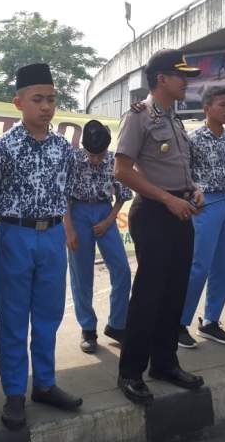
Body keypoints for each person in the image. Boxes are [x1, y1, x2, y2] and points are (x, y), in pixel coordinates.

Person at [0, 63, 82, 430]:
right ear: (18, 103)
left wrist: (67, 229)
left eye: (51, 100)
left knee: (48, 315)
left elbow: (66, 193)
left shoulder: (63, 148)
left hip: (53, 236)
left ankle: (44, 383)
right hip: (16, 234)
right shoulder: (1, 148)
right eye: (37, 99)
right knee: (13, 317)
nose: (46, 107)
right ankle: (14, 392)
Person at [114, 48, 205, 405]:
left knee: (174, 291)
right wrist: (168, 199)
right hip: (153, 213)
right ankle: (130, 372)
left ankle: (165, 364)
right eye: (181, 75)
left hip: (181, 211)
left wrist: (192, 190)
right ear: (162, 79)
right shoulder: (138, 116)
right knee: (149, 295)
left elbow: (178, 168)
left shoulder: (175, 119)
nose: (187, 82)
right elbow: (122, 171)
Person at [178, 86, 225, 348]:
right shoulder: (193, 139)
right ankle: (179, 323)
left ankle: (211, 321)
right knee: (198, 266)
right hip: (205, 204)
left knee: (224, 265)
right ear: (207, 108)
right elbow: (184, 174)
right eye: (222, 105)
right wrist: (193, 195)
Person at [66, 119, 133, 354]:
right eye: (91, 154)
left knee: (122, 269)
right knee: (82, 275)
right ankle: (88, 328)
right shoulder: (73, 160)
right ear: (84, 147)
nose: (95, 159)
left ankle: (117, 325)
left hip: (105, 212)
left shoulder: (114, 160)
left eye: (100, 155)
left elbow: (123, 194)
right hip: (78, 212)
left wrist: (108, 220)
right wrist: (69, 229)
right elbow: (64, 196)